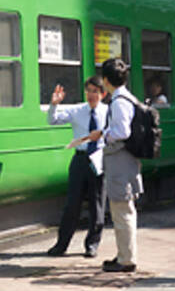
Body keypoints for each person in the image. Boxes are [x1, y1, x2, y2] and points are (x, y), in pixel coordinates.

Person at [88, 58, 142, 273]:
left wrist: (103, 134)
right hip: (125, 161)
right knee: (124, 210)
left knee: (122, 211)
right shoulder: (127, 98)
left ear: (107, 80)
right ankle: (125, 254)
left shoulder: (119, 102)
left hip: (120, 162)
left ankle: (126, 260)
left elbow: (122, 132)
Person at [46, 76, 108, 258]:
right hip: (80, 159)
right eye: (88, 90)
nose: (91, 95)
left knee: (97, 204)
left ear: (102, 94)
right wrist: (54, 104)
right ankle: (61, 244)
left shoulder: (109, 111)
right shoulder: (77, 110)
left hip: (99, 160)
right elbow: (53, 120)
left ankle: (92, 245)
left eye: (95, 91)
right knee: (72, 204)